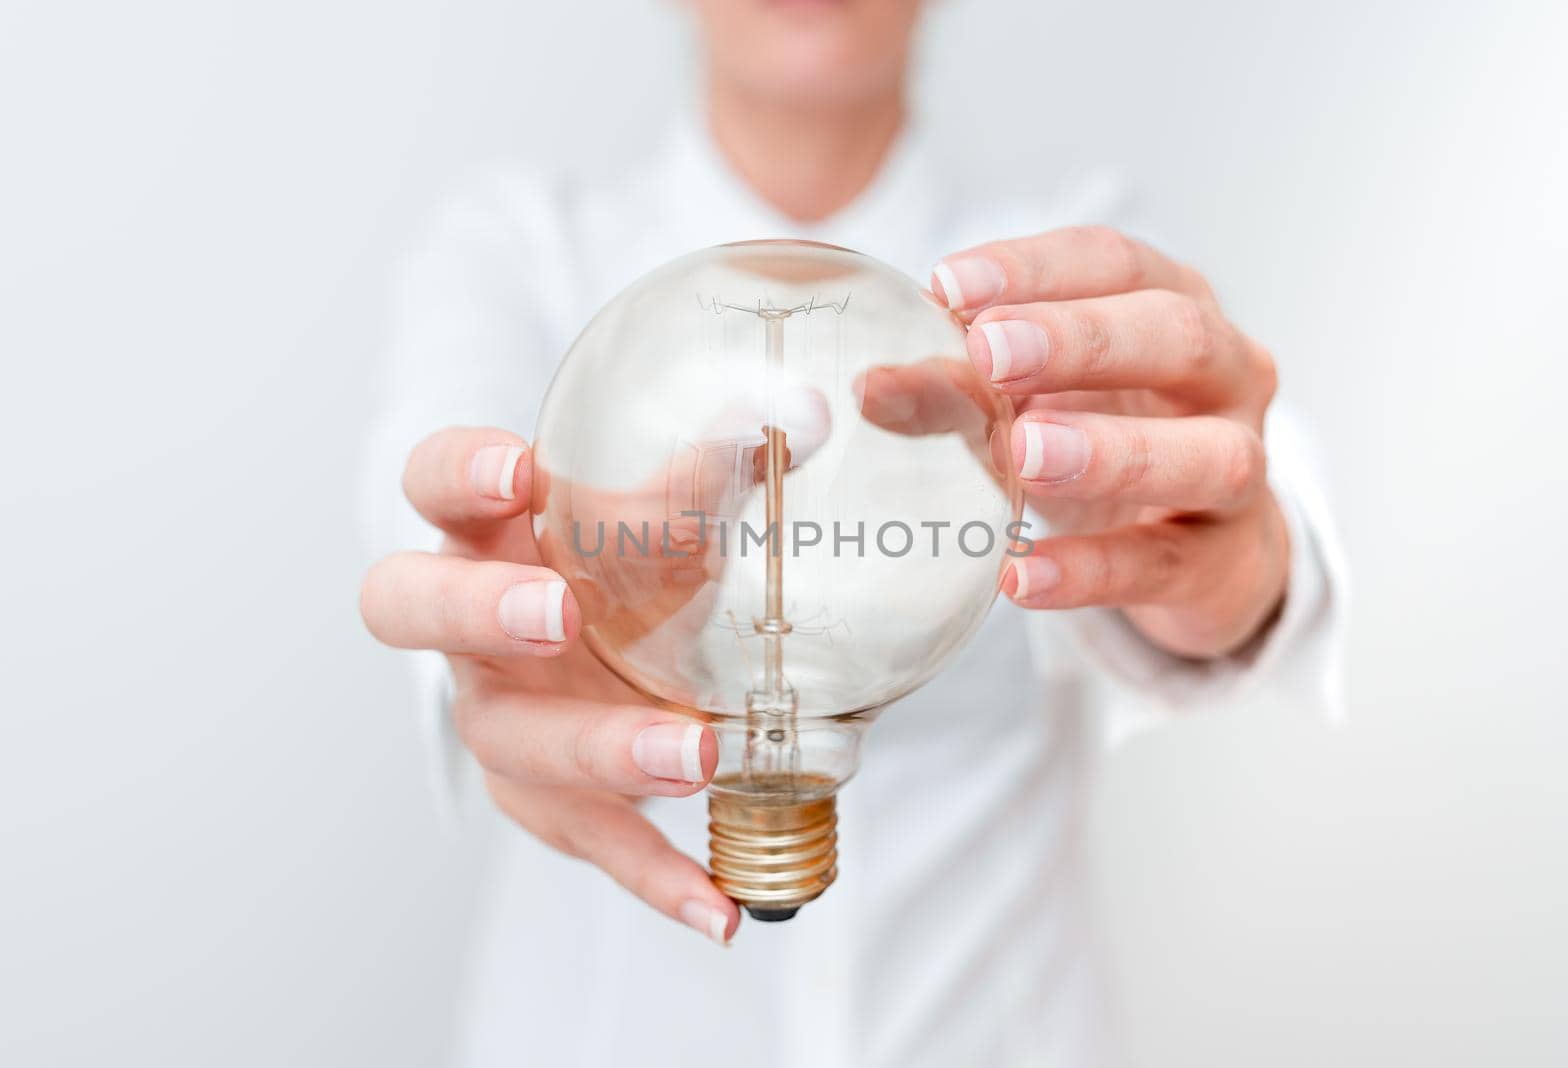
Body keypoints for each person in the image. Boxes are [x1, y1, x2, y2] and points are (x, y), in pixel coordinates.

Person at [360, 1, 1344, 1063]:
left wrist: (1226, 570)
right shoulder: (525, 253)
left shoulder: (1068, 273)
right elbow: (426, 484)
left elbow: (1263, 500)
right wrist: (501, 615)